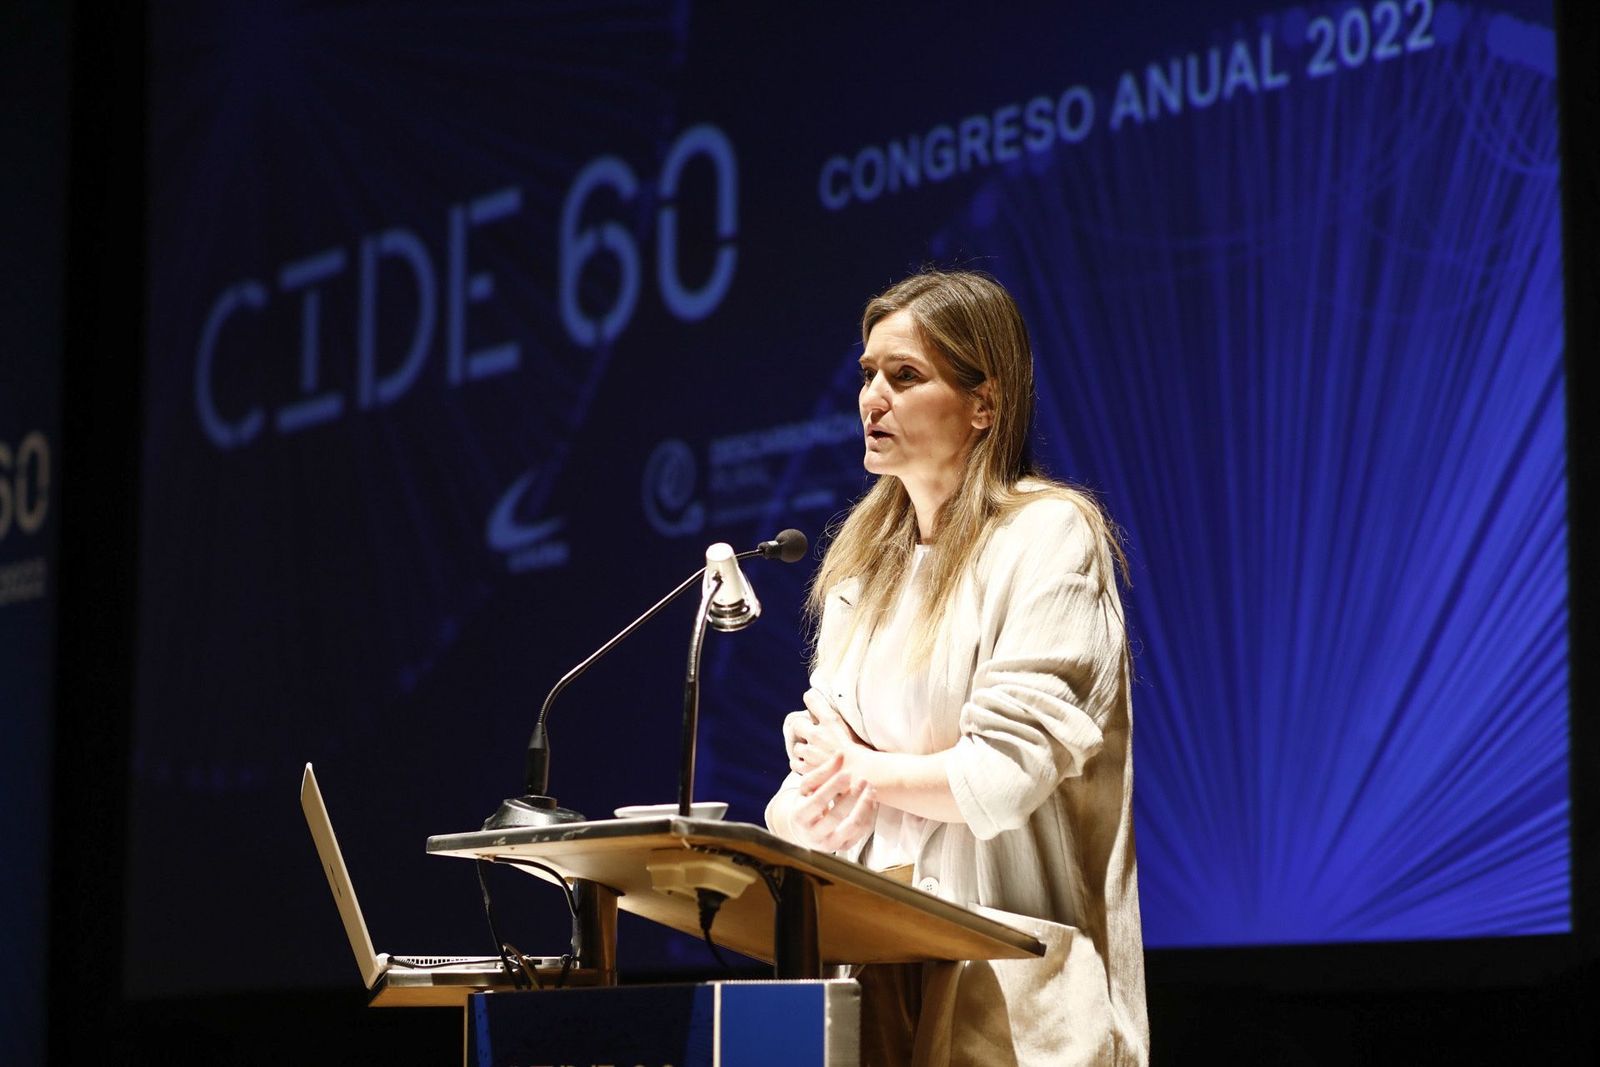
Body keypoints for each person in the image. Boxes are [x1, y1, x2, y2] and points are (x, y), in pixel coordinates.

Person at [763, 270, 1148, 1066]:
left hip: (1006, 993)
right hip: (870, 969)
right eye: (868, 373)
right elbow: (813, 796)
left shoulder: (1047, 536)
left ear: (985, 404)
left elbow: (1000, 776)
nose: (873, 397)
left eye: (905, 376)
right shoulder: (859, 572)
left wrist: (857, 767)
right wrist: (802, 807)